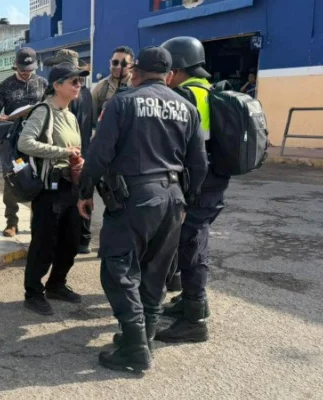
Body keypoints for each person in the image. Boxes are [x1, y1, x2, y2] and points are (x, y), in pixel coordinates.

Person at [77, 47, 208, 372]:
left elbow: (98, 154)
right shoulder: (186, 107)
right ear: (168, 74)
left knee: (117, 267)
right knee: (155, 271)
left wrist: (85, 192)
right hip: (173, 197)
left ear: (136, 72)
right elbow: (200, 163)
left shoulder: (122, 102)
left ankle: (135, 344)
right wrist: (187, 200)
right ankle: (145, 338)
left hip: (135, 197)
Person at [156, 36, 232, 344]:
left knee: (191, 245)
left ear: (175, 68)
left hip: (199, 183)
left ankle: (195, 319)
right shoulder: (210, 91)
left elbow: (179, 149)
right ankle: (190, 301)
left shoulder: (186, 98)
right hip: (214, 180)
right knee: (193, 240)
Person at [18, 62, 88, 316]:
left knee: (71, 241)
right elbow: (25, 142)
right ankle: (33, 293)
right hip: (49, 188)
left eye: (80, 82)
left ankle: (57, 284)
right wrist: (63, 152)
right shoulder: (44, 111)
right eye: (74, 81)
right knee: (44, 243)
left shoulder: (70, 115)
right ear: (57, 85)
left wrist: (79, 163)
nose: (79, 86)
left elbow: (76, 149)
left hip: (70, 187)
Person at [0, 47, 47, 237]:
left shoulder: (42, 84)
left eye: (29, 69)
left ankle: (36, 222)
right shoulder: (5, 85)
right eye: (22, 69)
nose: (26, 73)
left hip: (36, 138)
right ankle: (11, 222)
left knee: (38, 177)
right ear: (16, 66)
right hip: (12, 140)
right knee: (12, 177)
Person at [44, 49, 95, 255]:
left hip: (68, 157)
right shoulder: (86, 93)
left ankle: (63, 241)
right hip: (85, 154)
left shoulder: (65, 94)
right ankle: (83, 239)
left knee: (65, 202)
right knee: (83, 195)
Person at [92, 46, 134, 123]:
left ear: (131, 65)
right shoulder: (100, 87)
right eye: (115, 62)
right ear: (110, 63)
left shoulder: (138, 86)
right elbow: (93, 120)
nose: (118, 67)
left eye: (123, 64)